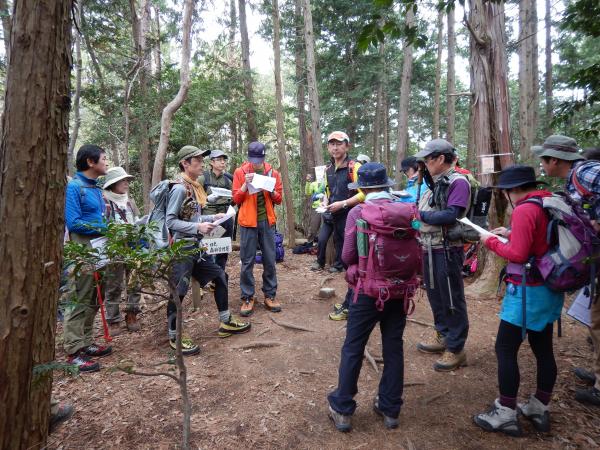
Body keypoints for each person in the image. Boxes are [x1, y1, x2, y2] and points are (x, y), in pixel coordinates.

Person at [473, 165, 564, 436]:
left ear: (512, 190)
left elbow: (518, 254)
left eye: (505, 191)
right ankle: (539, 407)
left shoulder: (525, 209)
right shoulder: (548, 203)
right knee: (543, 348)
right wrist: (510, 233)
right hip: (550, 287)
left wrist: (489, 240)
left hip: (527, 291)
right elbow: (541, 240)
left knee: (505, 348)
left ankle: (505, 412)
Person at [327, 163, 409, 432]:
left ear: (362, 187)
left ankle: (343, 409)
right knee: (393, 346)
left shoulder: (358, 212)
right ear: (386, 185)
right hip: (399, 290)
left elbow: (347, 256)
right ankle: (390, 407)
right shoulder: (404, 210)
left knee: (353, 346)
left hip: (367, 291)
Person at [535, 135, 600, 406]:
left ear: (555, 160)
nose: (541, 165)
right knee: (596, 319)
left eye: (543, 159)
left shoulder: (586, 171)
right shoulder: (573, 179)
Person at [166, 145, 250, 355]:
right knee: (179, 291)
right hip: (182, 248)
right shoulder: (179, 188)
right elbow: (170, 221)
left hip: (195, 247)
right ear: (185, 164)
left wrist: (211, 217)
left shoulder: (193, 187)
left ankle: (225, 321)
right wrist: (198, 227)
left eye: (202, 161)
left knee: (220, 276)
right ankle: (174, 336)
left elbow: (191, 217)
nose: (202, 164)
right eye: (197, 161)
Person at [415, 138, 470, 372]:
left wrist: (419, 216)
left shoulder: (458, 182)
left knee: (451, 297)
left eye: (427, 159)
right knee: (435, 294)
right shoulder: (434, 182)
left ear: (440, 158)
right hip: (429, 246)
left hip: (448, 248)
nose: (424, 164)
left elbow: (450, 215)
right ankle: (443, 334)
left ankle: (456, 348)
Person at [63, 144, 112, 372]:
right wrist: (104, 228)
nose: (106, 162)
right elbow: (73, 222)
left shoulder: (95, 188)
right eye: (103, 158)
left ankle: (86, 341)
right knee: (80, 295)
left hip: (99, 247)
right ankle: (73, 351)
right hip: (82, 247)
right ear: (90, 162)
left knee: (95, 294)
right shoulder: (74, 187)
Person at [232, 142, 283, 316]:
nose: (256, 163)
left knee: (270, 259)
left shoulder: (273, 173)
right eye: (253, 159)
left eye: (259, 159)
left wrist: (271, 190)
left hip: (267, 222)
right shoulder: (240, 172)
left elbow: (279, 199)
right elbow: (236, 199)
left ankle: (270, 294)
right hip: (247, 222)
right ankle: (247, 297)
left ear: (264, 157)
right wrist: (245, 185)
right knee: (247, 261)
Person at [311, 131, 365, 274]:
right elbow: (327, 190)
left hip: (349, 213)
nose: (335, 148)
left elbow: (363, 194)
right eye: (332, 144)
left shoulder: (355, 167)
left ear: (347, 146)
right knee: (325, 239)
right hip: (331, 211)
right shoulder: (328, 169)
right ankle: (325, 263)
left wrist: (343, 203)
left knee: (344, 241)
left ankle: (342, 267)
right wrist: (324, 202)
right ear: (328, 147)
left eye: (339, 144)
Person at [102, 167, 142, 335]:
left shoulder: (130, 201)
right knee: (114, 285)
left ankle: (132, 314)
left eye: (127, 180)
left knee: (134, 282)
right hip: (114, 247)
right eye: (122, 181)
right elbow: (102, 225)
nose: (126, 183)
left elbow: (137, 219)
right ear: (113, 184)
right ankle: (113, 319)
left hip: (133, 246)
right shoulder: (105, 202)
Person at [201, 149, 234, 271]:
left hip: (225, 218)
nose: (223, 162)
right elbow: (195, 198)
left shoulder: (228, 180)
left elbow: (233, 198)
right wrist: (207, 199)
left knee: (223, 249)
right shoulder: (203, 178)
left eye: (224, 160)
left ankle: (219, 276)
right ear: (212, 162)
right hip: (210, 219)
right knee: (207, 250)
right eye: (219, 160)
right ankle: (205, 275)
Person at [305, 173, 326, 243]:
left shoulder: (327, 181)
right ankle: (310, 243)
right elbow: (308, 192)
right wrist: (308, 182)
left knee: (324, 227)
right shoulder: (314, 184)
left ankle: (321, 244)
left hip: (326, 207)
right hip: (316, 208)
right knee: (314, 226)